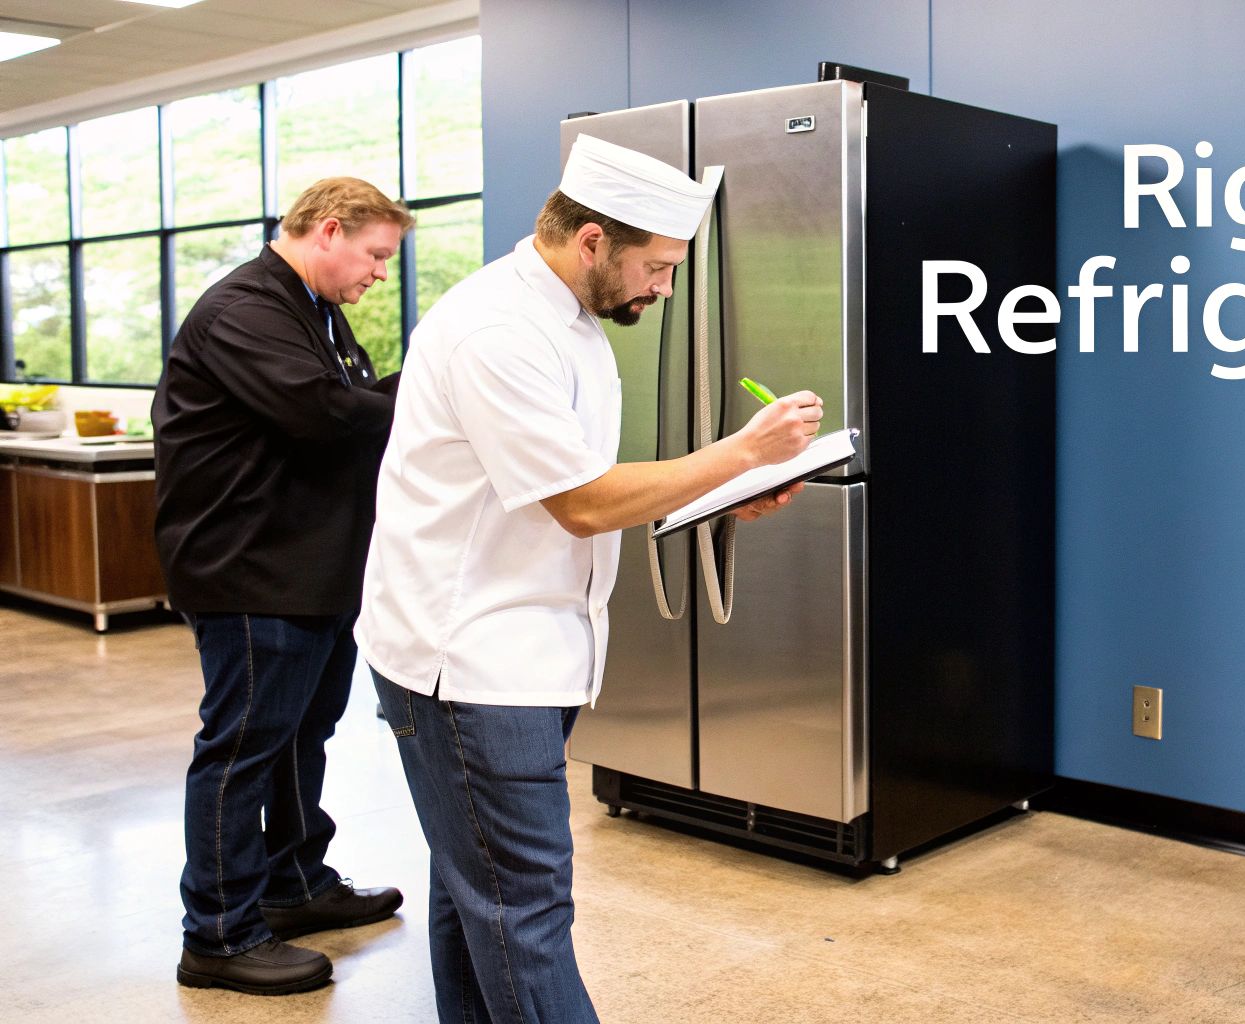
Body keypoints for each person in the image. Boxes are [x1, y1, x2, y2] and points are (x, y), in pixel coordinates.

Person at [355, 135, 821, 1022]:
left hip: (529, 644)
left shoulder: (567, 318)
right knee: (523, 906)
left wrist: (724, 491)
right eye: (657, 266)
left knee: (476, 889)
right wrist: (738, 452)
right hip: (471, 662)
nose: (665, 289)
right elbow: (578, 503)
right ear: (593, 241)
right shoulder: (497, 330)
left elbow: (570, 487)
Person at [154, 176, 415, 996]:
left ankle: (295, 885)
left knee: (303, 738)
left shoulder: (315, 312)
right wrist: (435, 385)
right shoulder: (247, 309)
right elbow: (325, 414)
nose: (379, 274)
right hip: (250, 570)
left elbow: (351, 403)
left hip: (310, 567)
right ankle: (220, 936)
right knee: (241, 750)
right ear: (328, 231)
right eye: (375, 255)